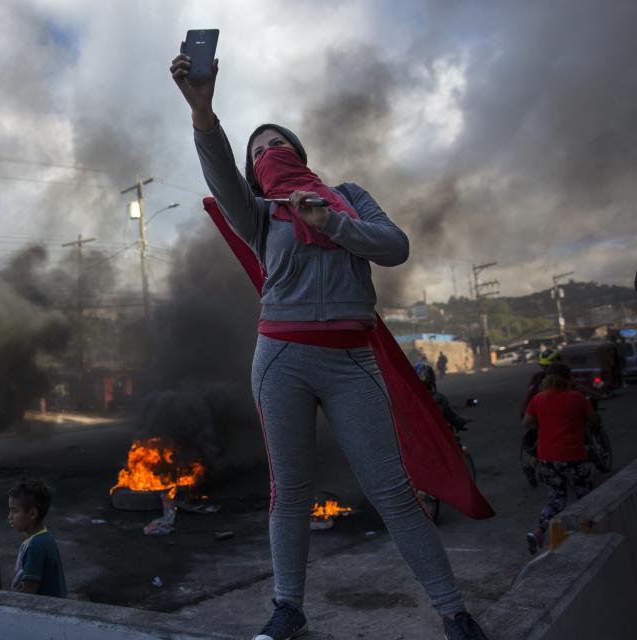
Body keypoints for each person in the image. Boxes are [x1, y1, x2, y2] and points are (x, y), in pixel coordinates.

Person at [170, 49, 489, 640]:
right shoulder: (258, 212)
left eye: (277, 144)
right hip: (281, 361)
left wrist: (332, 223)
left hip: (352, 362)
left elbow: (394, 247)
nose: (268, 153)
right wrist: (202, 111)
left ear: (300, 153)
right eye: (258, 150)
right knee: (289, 492)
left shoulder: (348, 196)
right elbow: (217, 166)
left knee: (393, 491)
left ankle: (454, 612)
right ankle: (288, 607)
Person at [522, 363, 595, 554]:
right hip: (573, 457)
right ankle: (591, 534)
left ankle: (538, 533)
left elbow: (526, 423)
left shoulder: (538, 399)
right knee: (585, 496)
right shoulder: (576, 397)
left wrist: (544, 423)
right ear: (568, 378)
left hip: (547, 459)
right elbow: (593, 419)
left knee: (556, 500)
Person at [7, 477, 67, 598]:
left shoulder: (36, 546)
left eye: (14, 511)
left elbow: (28, 595)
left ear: (33, 513)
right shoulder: (44, 537)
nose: (9, 516)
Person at [419, 365, 468, 434]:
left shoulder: (409, 399)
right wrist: (462, 420)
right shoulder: (438, 398)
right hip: (436, 435)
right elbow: (452, 416)